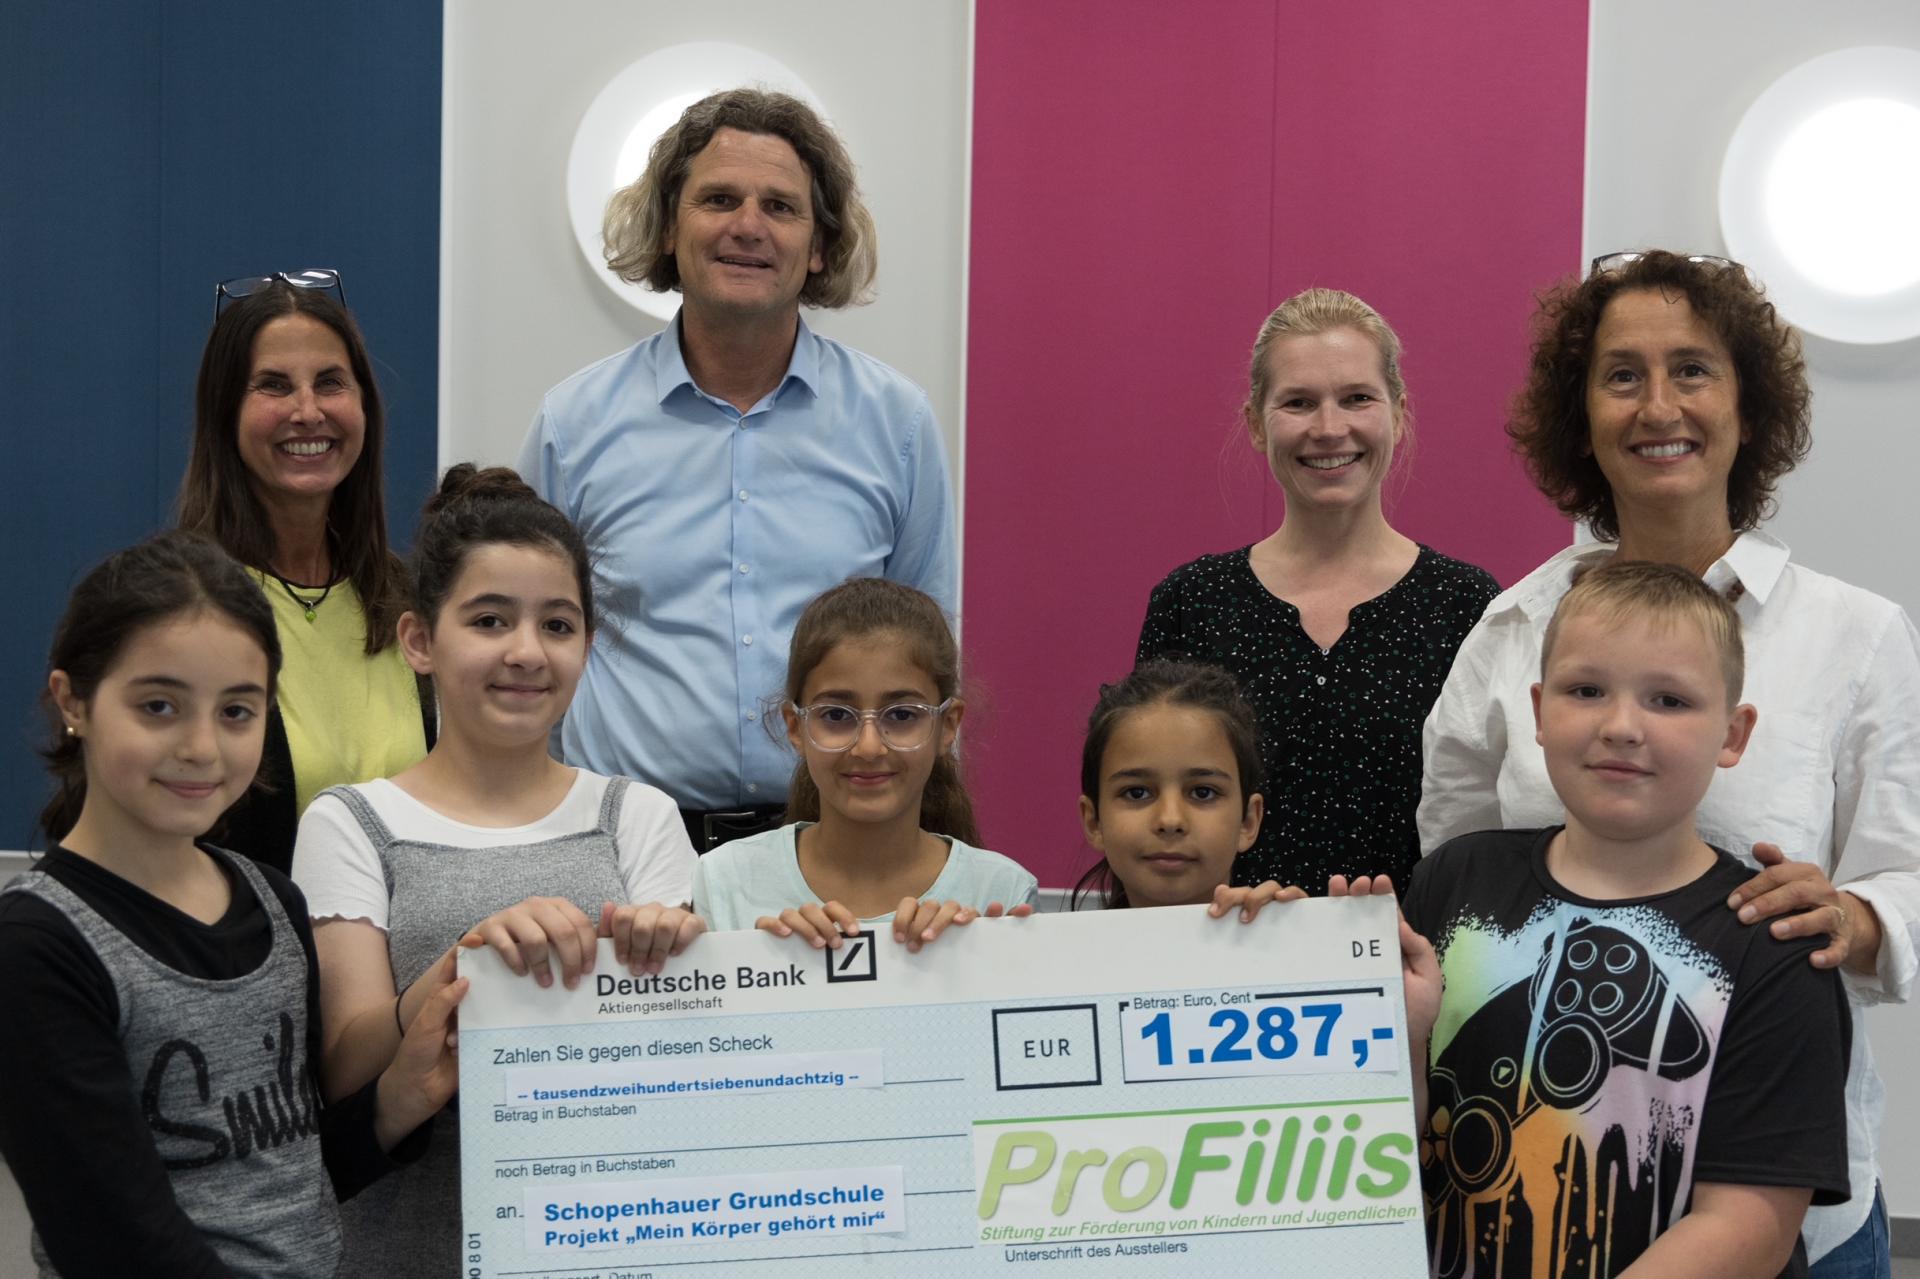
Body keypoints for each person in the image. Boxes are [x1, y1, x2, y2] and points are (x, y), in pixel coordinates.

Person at [1419, 250, 1919, 1276]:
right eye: (1622, 375)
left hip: (1783, 1197)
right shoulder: (1510, 628)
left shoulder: (1856, 635)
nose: (1658, 406)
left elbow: (1910, 872)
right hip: (1519, 1190)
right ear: (1583, 416)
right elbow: (1456, 886)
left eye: (1692, 369)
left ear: (1748, 406)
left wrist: (1856, 918)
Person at [0, 531, 463, 1277]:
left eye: (237, 711)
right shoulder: (38, 945)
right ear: (73, 701)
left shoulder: (273, 901)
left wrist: (397, 1099)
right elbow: (113, 1240)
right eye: (159, 705)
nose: (202, 747)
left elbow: (291, 1177)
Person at [518, 88, 957, 854]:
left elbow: (929, 659)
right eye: (719, 199)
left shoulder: (896, 424)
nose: (748, 226)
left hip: (835, 852)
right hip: (621, 853)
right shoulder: (572, 425)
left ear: (818, 247)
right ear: (668, 228)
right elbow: (528, 658)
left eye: (780, 207)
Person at [291, 467, 701, 1277]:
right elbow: (345, 1067)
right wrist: (456, 972)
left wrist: (680, 967)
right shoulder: (350, 821)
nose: (525, 651)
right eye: (488, 619)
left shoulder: (639, 815)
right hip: (410, 1248)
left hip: (611, 1242)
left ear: (587, 644)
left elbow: (689, 1069)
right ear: (419, 640)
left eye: (558, 624)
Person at [1395, 560, 1850, 1277]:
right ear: (1539, 712)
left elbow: (1749, 1227)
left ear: (1733, 734)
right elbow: (1387, 1134)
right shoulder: (1454, 880)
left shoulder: (1774, 944)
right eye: (1586, 691)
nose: (1621, 726)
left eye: (1669, 700)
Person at [1137, 288, 1497, 890]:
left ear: (1398, 413)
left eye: (1357, 398)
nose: (1330, 429)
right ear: (1257, 424)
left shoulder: (1466, 606)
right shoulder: (1193, 603)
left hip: (1415, 945)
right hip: (1227, 941)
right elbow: (1150, 807)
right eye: (1299, 402)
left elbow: (1487, 827)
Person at [179, 272, 431, 873]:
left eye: (330, 382)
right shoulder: (180, 608)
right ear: (225, 411)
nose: (308, 411)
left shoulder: (409, 599)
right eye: (273, 385)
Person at [693, 578, 1035, 949]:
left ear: (947, 725)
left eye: (902, 715)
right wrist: (771, 961)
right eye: (837, 715)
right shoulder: (724, 880)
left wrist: (973, 959)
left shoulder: (1000, 892)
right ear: (795, 726)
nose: (869, 747)